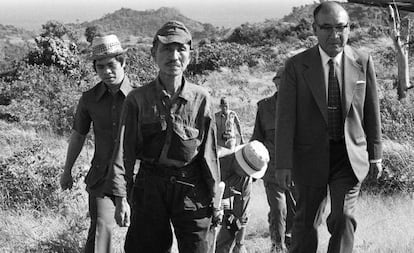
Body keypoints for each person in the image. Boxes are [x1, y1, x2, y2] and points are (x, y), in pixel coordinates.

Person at [274, 2, 383, 253]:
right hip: (309, 157)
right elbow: (285, 119)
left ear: (349, 28)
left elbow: (371, 111)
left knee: (343, 218)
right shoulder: (296, 66)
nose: (335, 35)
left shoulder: (363, 62)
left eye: (341, 27)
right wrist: (283, 164)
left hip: (348, 157)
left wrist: (376, 155)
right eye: (326, 28)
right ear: (314, 29)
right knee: (305, 224)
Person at [105, 20, 221, 252]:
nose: (174, 56)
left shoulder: (201, 98)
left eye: (181, 49)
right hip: (150, 185)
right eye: (167, 49)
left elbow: (209, 154)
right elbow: (123, 152)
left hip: (191, 186)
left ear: (190, 54)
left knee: (199, 247)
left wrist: (215, 200)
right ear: (153, 53)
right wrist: (121, 198)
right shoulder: (137, 99)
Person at [60, 34, 135, 253]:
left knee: (144, 233)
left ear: (122, 62)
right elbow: (78, 135)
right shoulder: (89, 99)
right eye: (100, 67)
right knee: (101, 230)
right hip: (102, 176)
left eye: (111, 65)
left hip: (137, 176)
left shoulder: (140, 96)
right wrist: (67, 170)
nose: (106, 72)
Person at [251, 69, 296, 253]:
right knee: (279, 210)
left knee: (294, 213)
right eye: (278, 82)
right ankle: (277, 246)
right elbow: (256, 139)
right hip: (272, 171)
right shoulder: (264, 107)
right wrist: (252, 168)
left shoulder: (301, 107)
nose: (280, 85)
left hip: (296, 171)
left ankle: (290, 243)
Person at [215, 140, 269, 253]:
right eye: (246, 171)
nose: (248, 175)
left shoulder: (245, 179)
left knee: (232, 225)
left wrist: (240, 244)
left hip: (221, 203)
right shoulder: (216, 160)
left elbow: (240, 214)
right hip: (199, 201)